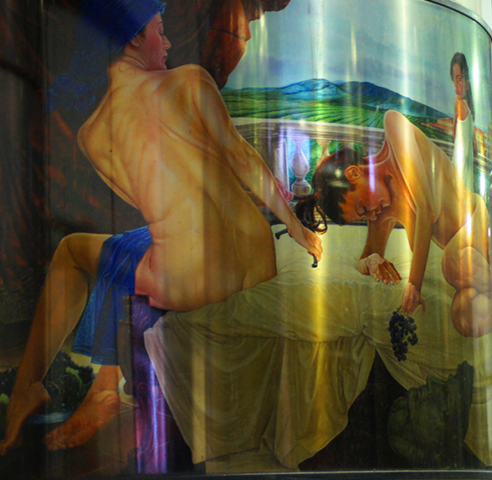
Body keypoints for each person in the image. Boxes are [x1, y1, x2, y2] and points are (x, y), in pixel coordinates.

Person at [0, 0, 321, 455]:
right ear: (134, 38)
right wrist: (295, 226)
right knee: (127, 248)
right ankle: (102, 390)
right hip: (256, 256)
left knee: (74, 250)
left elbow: (151, 208)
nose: (167, 43)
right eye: (160, 30)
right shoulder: (191, 80)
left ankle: (34, 388)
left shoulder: (92, 135)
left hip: (192, 280)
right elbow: (242, 158)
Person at [296, 110, 492, 337]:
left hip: (473, 220)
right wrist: (371, 261)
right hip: (462, 267)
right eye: (364, 217)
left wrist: (414, 285)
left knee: (453, 261)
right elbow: (364, 257)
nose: (371, 216)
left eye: (363, 208)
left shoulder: (394, 126)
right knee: (464, 319)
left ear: (354, 174)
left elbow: (426, 208)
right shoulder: (381, 211)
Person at [450, 52, 477, 193]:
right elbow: (475, 148)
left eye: (459, 79)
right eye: (454, 79)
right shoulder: (470, 113)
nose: (456, 84)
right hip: (466, 180)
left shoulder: (459, 104)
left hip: (458, 178)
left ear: (466, 81)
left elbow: (455, 137)